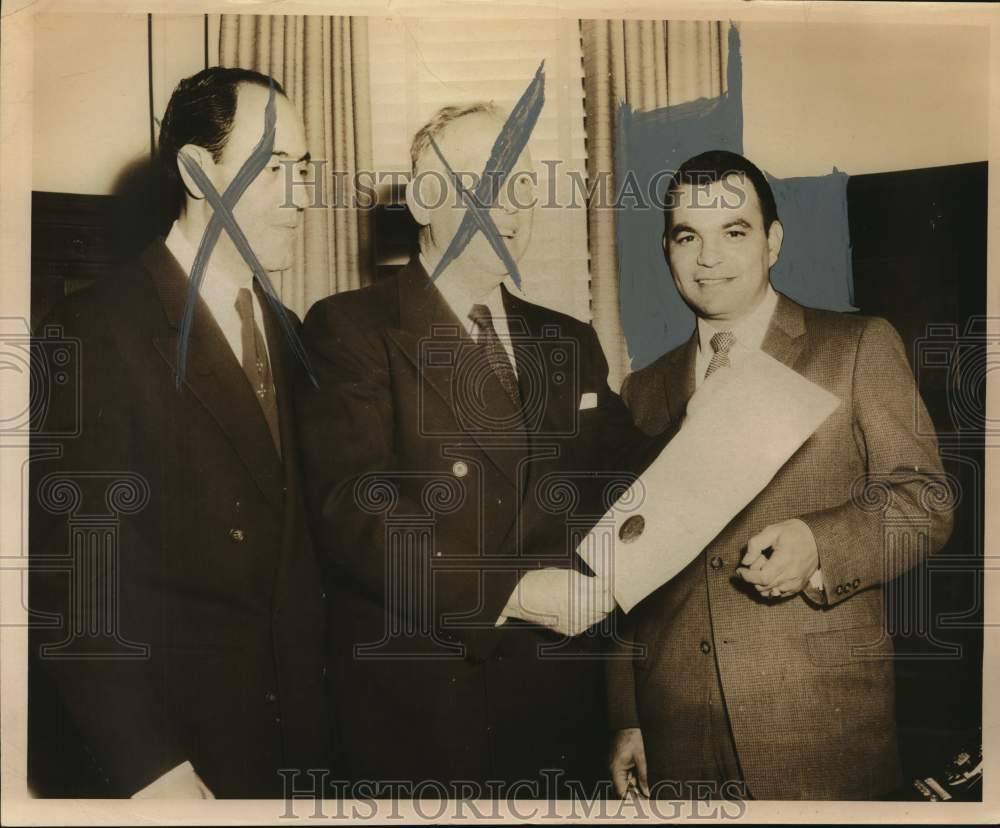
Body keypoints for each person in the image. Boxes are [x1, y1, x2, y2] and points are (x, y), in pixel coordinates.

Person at [296, 102, 648, 792]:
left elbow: (630, 480)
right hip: (422, 717)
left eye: (525, 186)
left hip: (557, 714)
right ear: (427, 198)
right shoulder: (350, 329)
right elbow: (354, 514)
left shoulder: (567, 340)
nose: (517, 207)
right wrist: (513, 589)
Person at [606, 149, 953, 800]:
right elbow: (628, 568)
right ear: (668, 250)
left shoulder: (856, 347)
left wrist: (821, 544)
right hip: (675, 735)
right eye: (689, 236)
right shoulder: (643, 391)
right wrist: (626, 714)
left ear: (772, 241)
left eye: (733, 231)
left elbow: (925, 503)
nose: (708, 259)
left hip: (817, 729)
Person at [28, 67, 330, 798]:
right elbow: (77, 587)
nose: (301, 198)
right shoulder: (93, 329)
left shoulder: (291, 334)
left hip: (297, 757)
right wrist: (153, 770)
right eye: (274, 168)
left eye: (304, 170)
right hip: (183, 765)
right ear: (199, 170)